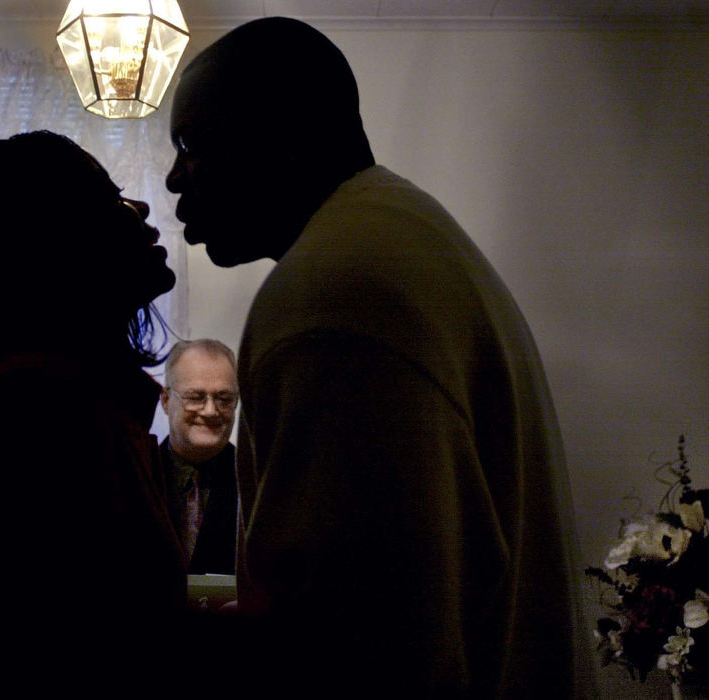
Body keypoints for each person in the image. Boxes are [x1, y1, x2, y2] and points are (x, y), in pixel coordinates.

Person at [165, 17, 596, 698]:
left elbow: (355, 653)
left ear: (279, 132)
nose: (172, 178)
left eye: (190, 145)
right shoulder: (401, 231)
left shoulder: (331, 293)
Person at [0, 131, 185, 698]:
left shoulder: (47, 399)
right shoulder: (44, 416)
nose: (141, 208)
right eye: (111, 199)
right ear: (54, 246)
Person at [159, 339, 238, 575]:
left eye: (224, 399)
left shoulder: (257, 480)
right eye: (195, 397)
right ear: (165, 400)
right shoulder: (136, 474)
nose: (211, 411)